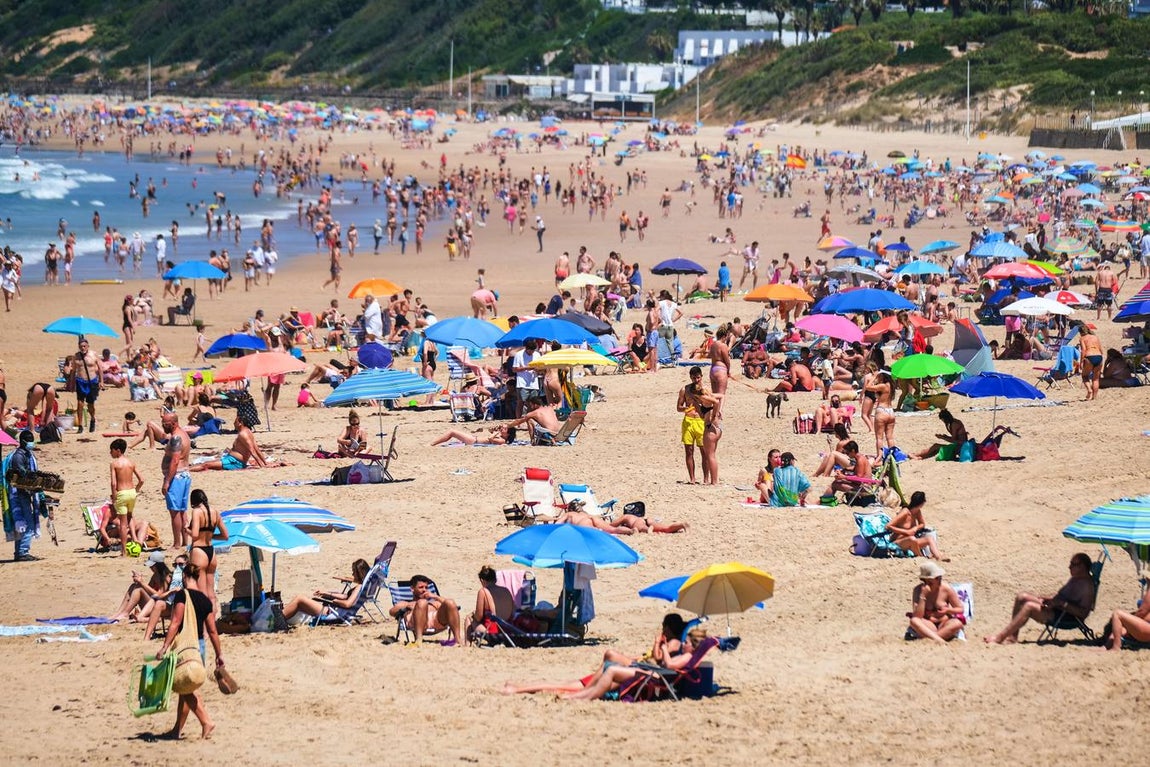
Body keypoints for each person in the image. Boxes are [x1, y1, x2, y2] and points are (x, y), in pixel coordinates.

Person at [502, 613, 688, 694]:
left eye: (664, 627)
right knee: (568, 684)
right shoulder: (672, 643)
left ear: (669, 628)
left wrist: (659, 644)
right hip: (632, 670)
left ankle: (517, 689)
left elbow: (660, 661)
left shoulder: (673, 643)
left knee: (568, 686)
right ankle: (518, 687)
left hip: (631, 673)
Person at [155, 560, 224, 740]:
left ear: (185, 576)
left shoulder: (182, 596)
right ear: (197, 577)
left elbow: (176, 622)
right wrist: (219, 655)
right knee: (185, 685)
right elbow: (212, 630)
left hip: (185, 645)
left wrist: (164, 646)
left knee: (186, 688)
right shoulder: (205, 601)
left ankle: (206, 721)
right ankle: (177, 729)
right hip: (199, 646)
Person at [563, 627, 709, 700]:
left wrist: (664, 649)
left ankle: (584, 697)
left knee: (612, 670)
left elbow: (670, 665)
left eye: (687, 642)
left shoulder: (688, 656)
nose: (683, 644)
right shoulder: (687, 655)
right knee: (611, 667)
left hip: (656, 677)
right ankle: (582, 694)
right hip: (654, 673)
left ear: (694, 646)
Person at [985, 552, 1096, 645]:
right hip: (1057, 607)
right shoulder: (1076, 578)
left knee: (1029, 607)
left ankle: (999, 638)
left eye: (1073, 564)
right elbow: (1063, 596)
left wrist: (1062, 604)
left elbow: (1082, 613)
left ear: (1082, 567)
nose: (1069, 567)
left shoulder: (1087, 587)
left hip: (1065, 616)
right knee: (1021, 597)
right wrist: (1050, 599)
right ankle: (1013, 637)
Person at [281, 558, 371, 624]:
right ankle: (282, 619)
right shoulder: (361, 587)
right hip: (336, 611)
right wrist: (327, 593)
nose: (352, 574)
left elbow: (347, 603)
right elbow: (346, 597)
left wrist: (335, 601)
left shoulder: (359, 587)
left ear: (359, 573)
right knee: (300, 605)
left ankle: (279, 620)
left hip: (333, 612)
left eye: (354, 572)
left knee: (299, 599)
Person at [388, 574, 464, 646]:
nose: (424, 590)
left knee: (450, 602)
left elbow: (452, 606)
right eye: (421, 587)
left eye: (426, 587)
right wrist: (408, 605)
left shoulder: (434, 603)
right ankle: (419, 640)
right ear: (412, 589)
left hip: (438, 623)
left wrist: (435, 597)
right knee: (422, 602)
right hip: (417, 625)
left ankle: (457, 639)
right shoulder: (406, 603)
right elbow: (392, 612)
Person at [190, 413, 283, 471]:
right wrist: (265, 463)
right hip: (231, 460)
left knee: (206, 465)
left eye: (235, 421)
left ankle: (185, 471)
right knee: (208, 463)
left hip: (233, 462)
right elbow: (257, 449)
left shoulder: (243, 434)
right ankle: (186, 469)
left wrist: (262, 466)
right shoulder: (248, 432)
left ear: (240, 423)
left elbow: (252, 451)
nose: (234, 423)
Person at [187, 489, 228, 614]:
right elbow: (225, 536)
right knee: (211, 594)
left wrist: (185, 530)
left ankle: (204, 628)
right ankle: (212, 625)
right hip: (211, 551)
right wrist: (210, 535)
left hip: (199, 551)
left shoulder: (197, 512)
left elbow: (194, 535)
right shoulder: (215, 512)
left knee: (201, 593)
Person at [907, 562, 966, 645]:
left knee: (958, 623)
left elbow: (960, 609)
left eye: (940, 577)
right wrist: (923, 596)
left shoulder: (946, 589)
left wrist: (948, 610)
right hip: (928, 625)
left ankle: (934, 638)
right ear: (927, 580)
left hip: (944, 623)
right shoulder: (918, 590)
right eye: (937, 577)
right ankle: (940, 640)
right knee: (914, 621)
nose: (940, 579)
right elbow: (918, 616)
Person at [6, 430, 43, 561]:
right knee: (26, 522)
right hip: (19, 494)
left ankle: (19, 552)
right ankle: (23, 552)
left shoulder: (28, 454)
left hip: (25, 492)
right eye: (29, 440)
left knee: (21, 523)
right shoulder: (18, 456)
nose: (31, 442)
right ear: (22, 442)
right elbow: (21, 474)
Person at [160, 411, 192, 550]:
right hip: (184, 475)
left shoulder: (176, 438)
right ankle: (185, 541)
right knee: (182, 510)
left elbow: (174, 460)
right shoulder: (183, 433)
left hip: (177, 477)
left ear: (173, 423)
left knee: (175, 512)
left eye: (165, 424)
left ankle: (177, 543)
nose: (163, 426)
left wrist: (167, 481)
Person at [110, 551, 172, 621]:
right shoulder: (155, 575)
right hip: (152, 604)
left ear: (158, 565)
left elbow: (159, 595)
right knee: (134, 585)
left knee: (139, 588)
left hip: (162, 607)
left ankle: (125, 613)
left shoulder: (167, 577)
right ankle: (119, 613)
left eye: (152, 566)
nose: (150, 567)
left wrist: (142, 582)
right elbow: (147, 591)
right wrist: (139, 581)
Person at [886, 491, 947, 561]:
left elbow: (922, 524)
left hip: (911, 541)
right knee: (912, 539)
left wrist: (916, 528)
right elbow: (888, 526)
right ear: (922, 503)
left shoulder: (917, 511)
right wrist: (906, 532)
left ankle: (938, 557)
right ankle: (921, 557)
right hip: (898, 542)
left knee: (929, 538)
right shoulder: (905, 512)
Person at [108, 439, 144, 557]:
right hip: (131, 492)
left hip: (122, 493)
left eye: (111, 450)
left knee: (123, 524)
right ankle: (134, 539)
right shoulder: (131, 463)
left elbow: (113, 483)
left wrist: (114, 497)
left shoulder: (114, 464)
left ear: (118, 451)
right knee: (130, 517)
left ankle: (123, 552)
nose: (110, 453)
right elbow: (141, 480)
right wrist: (136, 490)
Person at [465, 565, 515, 641]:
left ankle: (467, 645)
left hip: (493, 632)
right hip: (509, 630)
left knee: (469, 618)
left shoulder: (484, 591)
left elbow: (478, 617)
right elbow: (513, 611)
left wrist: (473, 615)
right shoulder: (506, 590)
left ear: (482, 580)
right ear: (495, 579)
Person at [677, 367, 706, 484]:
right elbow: (678, 407)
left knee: (704, 451)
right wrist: (685, 408)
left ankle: (706, 478)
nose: (696, 380)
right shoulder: (685, 389)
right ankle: (692, 478)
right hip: (688, 421)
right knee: (689, 450)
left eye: (698, 377)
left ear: (701, 377)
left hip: (700, 421)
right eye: (694, 378)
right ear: (690, 377)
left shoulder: (705, 389)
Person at [65, 336, 101, 433]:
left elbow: (100, 368)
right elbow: (73, 371)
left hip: (92, 381)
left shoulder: (93, 355)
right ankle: (80, 426)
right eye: (81, 346)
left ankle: (92, 418)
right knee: (80, 404)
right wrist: (71, 383)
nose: (83, 348)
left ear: (88, 346)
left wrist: (101, 382)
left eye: (84, 346)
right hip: (80, 381)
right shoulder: (76, 356)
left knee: (90, 405)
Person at [1078, 323, 1104, 401]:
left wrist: (1081, 362)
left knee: (1085, 376)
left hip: (1089, 356)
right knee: (1096, 379)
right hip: (1099, 356)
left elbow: (1083, 350)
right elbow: (1101, 350)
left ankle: (1089, 390)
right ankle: (1094, 397)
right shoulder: (1095, 337)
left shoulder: (1082, 338)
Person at [430, 423, 517, 446]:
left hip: (473, 441)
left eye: (504, 428)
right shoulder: (500, 436)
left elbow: (491, 439)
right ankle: (434, 443)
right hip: (473, 439)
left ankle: (432, 443)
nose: (502, 428)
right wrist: (493, 430)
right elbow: (490, 433)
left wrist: (495, 433)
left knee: (452, 432)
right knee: (452, 433)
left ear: (508, 433)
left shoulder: (502, 441)